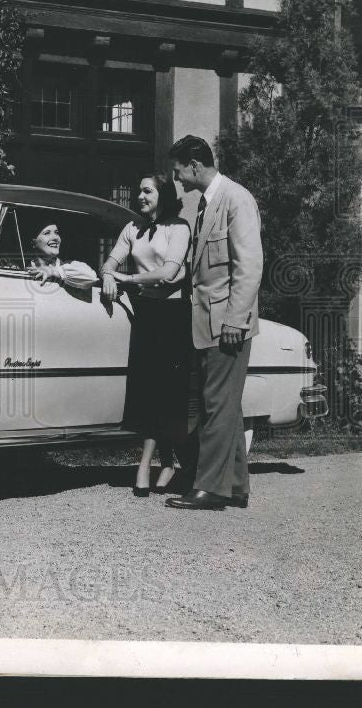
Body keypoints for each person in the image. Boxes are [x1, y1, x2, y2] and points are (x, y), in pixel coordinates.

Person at [164, 135, 263, 511]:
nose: (178, 180)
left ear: (194, 164)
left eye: (179, 172)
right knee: (224, 405)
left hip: (227, 323)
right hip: (209, 323)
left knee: (216, 405)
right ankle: (235, 486)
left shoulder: (236, 199)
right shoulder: (207, 205)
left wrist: (236, 320)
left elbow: (249, 266)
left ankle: (210, 489)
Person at [99, 174, 194, 497]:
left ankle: (147, 465)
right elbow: (109, 262)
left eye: (146, 191)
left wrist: (126, 279)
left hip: (173, 317)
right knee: (147, 392)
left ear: (163, 195)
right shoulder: (133, 228)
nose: (140, 196)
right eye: (138, 190)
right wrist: (109, 275)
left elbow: (169, 272)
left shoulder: (179, 228)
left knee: (166, 394)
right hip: (145, 315)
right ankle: (166, 462)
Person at [26, 222, 99, 288]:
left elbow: (92, 277)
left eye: (56, 233)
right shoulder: (21, 268)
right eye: (47, 233)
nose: (55, 237)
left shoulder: (72, 266)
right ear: (33, 243)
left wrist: (53, 271)